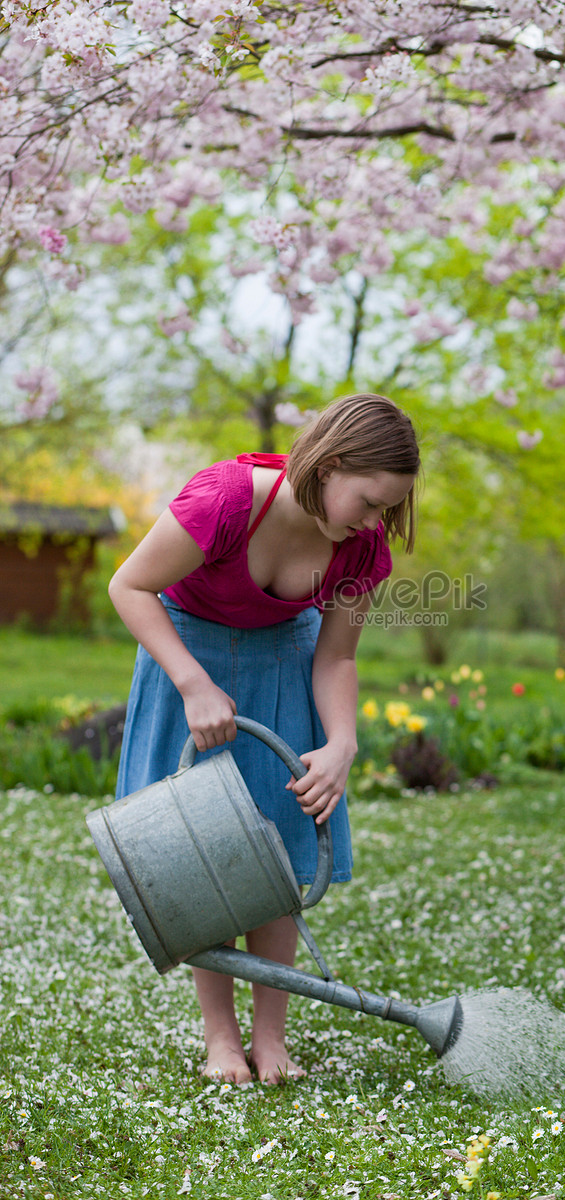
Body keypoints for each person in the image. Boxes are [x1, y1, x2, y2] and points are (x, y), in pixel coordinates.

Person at [109, 393, 420, 1085]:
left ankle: (271, 1037)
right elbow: (129, 586)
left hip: (286, 664)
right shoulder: (223, 500)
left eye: (387, 510)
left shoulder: (361, 549)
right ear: (331, 465)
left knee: (276, 846)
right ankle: (221, 1038)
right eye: (370, 502)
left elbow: (337, 657)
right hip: (188, 660)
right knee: (204, 853)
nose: (376, 523)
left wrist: (341, 743)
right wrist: (192, 685)